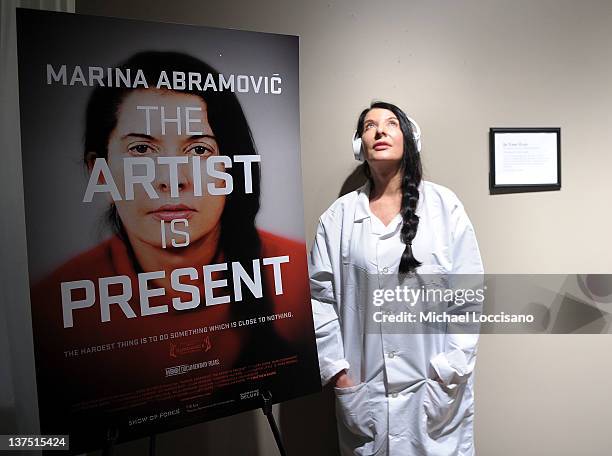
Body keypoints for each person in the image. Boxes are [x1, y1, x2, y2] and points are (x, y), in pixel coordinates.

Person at [30, 51, 316, 448]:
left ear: (232, 166)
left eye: (198, 150)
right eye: (142, 151)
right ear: (99, 169)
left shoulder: (295, 276)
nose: (171, 181)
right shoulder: (50, 308)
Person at [309, 101, 484, 455]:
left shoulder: (444, 207)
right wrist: (339, 373)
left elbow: (469, 293)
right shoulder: (337, 218)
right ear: (360, 145)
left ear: (410, 138)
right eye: (369, 125)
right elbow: (318, 299)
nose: (380, 130)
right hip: (365, 391)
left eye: (391, 123)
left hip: (434, 390)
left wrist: (449, 369)